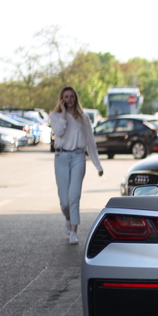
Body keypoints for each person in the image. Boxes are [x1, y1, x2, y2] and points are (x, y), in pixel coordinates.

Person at [50, 86, 104, 245]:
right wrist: (64, 113)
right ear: (62, 99)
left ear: (76, 98)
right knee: (64, 201)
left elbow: (90, 143)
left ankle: (74, 231)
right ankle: (68, 217)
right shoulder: (55, 116)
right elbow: (58, 132)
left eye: (72, 96)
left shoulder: (84, 118)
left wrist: (98, 165)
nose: (69, 99)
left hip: (78, 157)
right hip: (61, 157)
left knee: (74, 197)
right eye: (66, 97)